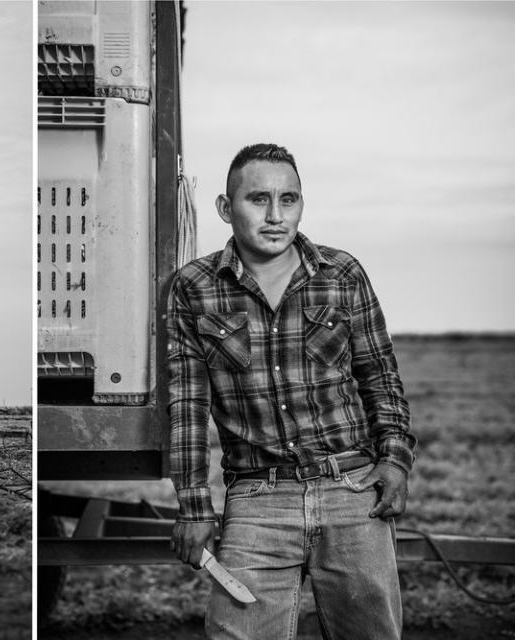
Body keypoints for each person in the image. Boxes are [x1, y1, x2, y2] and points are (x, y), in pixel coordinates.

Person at [166, 143, 415, 639]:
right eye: (258, 199)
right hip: (259, 498)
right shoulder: (194, 288)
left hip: (352, 489)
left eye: (289, 199)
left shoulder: (342, 275)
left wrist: (394, 459)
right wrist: (195, 507)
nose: (276, 215)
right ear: (225, 207)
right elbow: (187, 405)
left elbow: (380, 376)